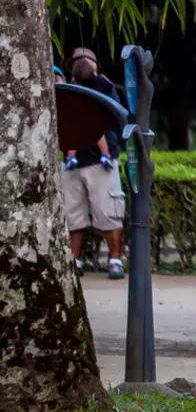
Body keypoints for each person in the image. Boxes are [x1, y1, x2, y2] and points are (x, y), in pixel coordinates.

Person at [60, 47, 126, 278]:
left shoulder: (104, 86)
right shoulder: (69, 89)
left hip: (102, 162)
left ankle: (115, 259)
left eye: (86, 60)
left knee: (109, 214)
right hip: (74, 163)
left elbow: (119, 115)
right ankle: (75, 260)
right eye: (78, 60)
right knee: (73, 215)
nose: (82, 63)